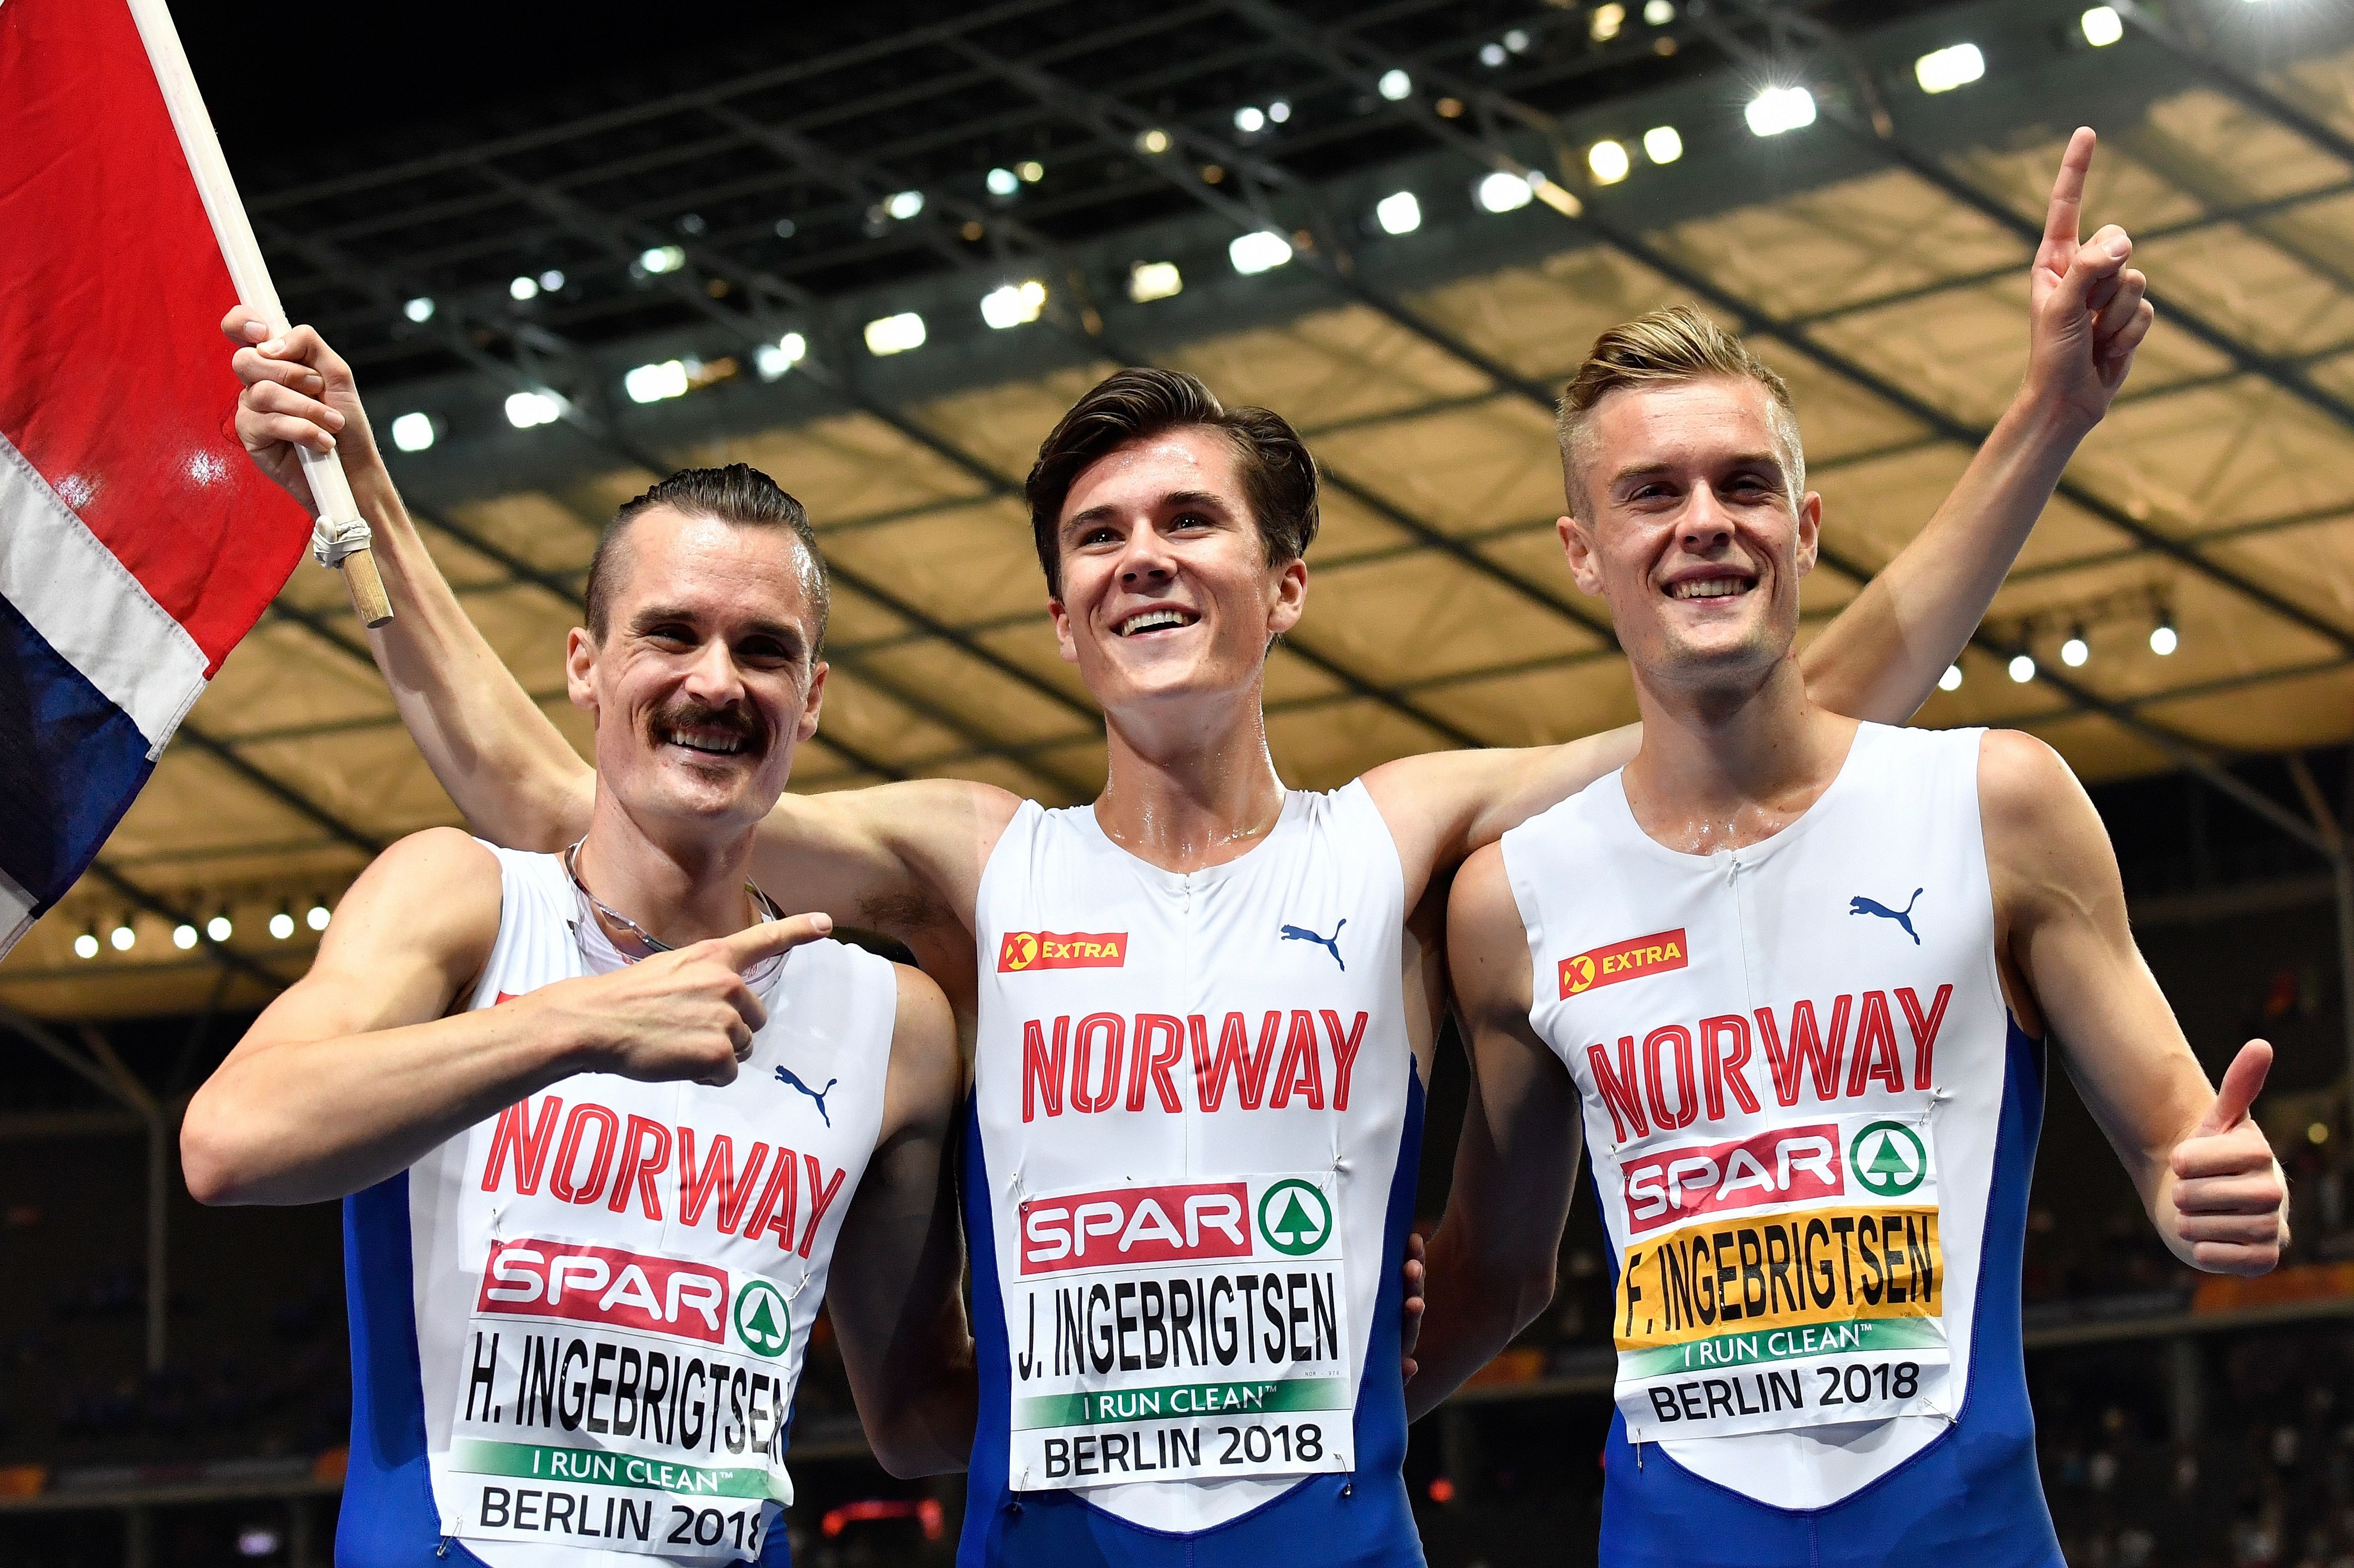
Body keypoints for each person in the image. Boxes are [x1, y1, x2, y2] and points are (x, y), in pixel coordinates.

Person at [219, 131, 2146, 1567]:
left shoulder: (1403, 840)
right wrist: (368, 508)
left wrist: (2042, 421)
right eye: (1100, 535)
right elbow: (590, 797)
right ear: (1064, 617)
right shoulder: (978, 864)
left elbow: (1787, 692)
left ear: (1282, 585)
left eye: (1192, 523)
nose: (1145, 554)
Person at [1410, 150, 2285, 1563]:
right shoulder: (1512, 904)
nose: (1705, 520)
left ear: (1803, 529)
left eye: (1744, 483)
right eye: (1653, 493)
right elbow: (1493, 1274)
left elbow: (2187, 1142)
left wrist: (2214, 1189)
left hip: (1969, 1534)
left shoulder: (1997, 804)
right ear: (1583, 551)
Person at [179, 466, 973, 1568]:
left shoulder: (894, 1021)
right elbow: (230, 1141)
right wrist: (581, 1021)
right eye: (670, 634)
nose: (717, 681)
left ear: (815, 692)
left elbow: (921, 1415)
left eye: (763, 649)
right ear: (585, 668)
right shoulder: (462, 899)